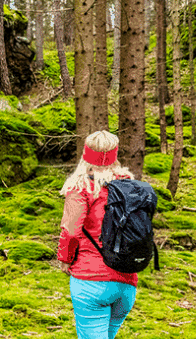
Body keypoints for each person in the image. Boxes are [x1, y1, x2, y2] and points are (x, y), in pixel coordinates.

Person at [57, 130, 137, 339]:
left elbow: (72, 232)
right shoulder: (130, 186)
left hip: (90, 282)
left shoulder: (81, 186)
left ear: (86, 153)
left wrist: (65, 260)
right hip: (126, 283)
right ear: (115, 154)